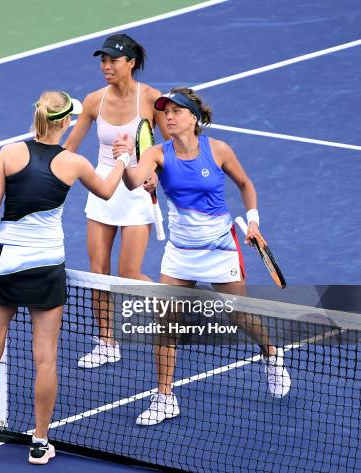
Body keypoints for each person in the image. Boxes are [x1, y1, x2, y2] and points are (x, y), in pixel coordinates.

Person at [0, 91, 129, 464]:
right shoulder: (75, 162)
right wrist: (124, 158)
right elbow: (109, 190)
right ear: (65, 122)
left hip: (7, 262)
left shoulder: (10, 153)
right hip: (47, 266)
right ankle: (40, 441)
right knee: (45, 358)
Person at [114, 87, 291, 426]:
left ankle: (271, 354)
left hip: (219, 248)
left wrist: (253, 221)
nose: (168, 116)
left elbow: (245, 184)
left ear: (193, 118)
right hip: (180, 254)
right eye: (165, 111)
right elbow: (134, 181)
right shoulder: (156, 153)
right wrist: (125, 159)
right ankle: (165, 396)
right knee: (166, 323)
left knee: (240, 316)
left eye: (176, 111)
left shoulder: (219, 150)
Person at [63, 34, 169, 369]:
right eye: (103, 60)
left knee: (128, 273)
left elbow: (169, 148)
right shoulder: (94, 100)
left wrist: (156, 175)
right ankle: (106, 342)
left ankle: (170, 306)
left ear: (131, 63)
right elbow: (68, 148)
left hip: (137, 190)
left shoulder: (152, 99)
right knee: (99, 273)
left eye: (113, 61)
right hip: (102, 188)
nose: (106, 66)